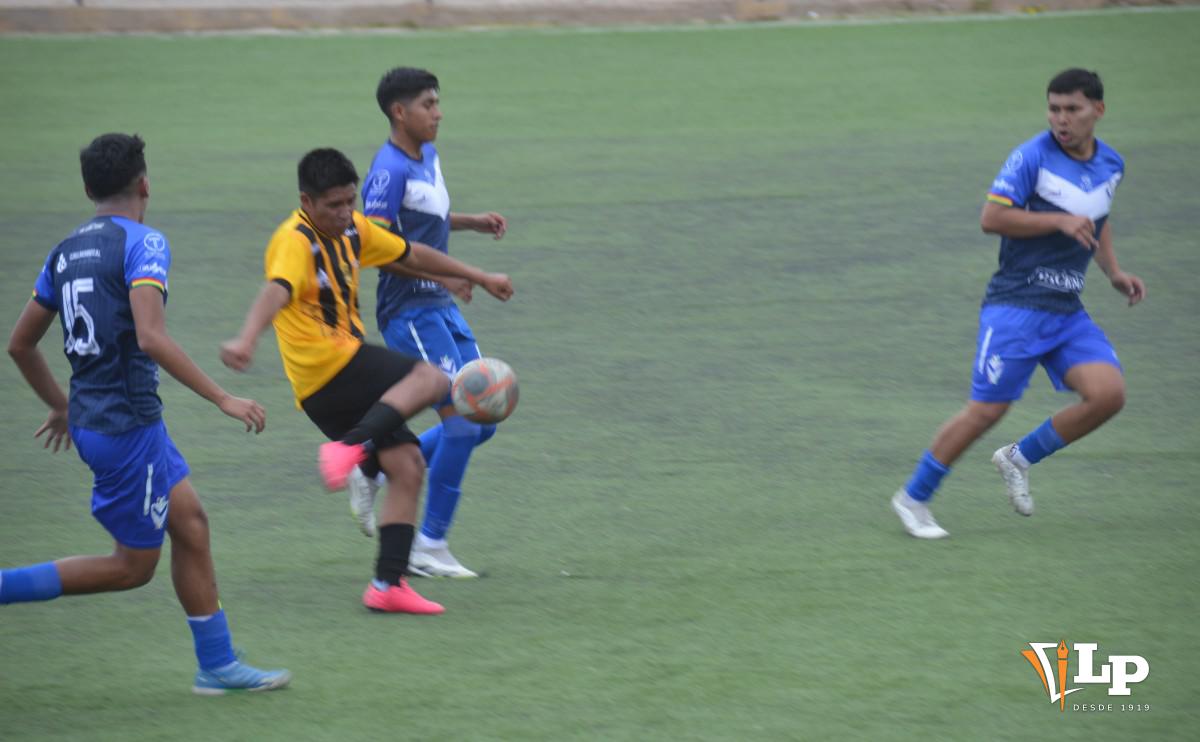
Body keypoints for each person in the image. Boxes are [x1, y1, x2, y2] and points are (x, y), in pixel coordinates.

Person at [2, 133, 291, 695]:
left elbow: (19, 344)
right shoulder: (144, 243)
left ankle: (217, 664)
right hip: (126, 429)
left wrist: (63, 406)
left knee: (191, 524)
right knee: (132, 568)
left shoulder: (64, 251)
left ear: (88, 188)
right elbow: (151, 337)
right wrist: (223, 398)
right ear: (145, 183)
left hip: (110, 423)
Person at [219, 147, 512, 614]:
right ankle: (352, 450)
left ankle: (387, 584)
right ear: (306, 201)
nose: (342, 213)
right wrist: (246, 338)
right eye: (332, 205)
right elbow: (277, 289)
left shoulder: (354, 228)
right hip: (327, 367)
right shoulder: (294, 240)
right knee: (433, 378)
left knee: (409, 465)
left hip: (335, 379)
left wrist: (475, 275)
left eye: (348, 202)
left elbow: (412, 253)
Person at [891, 69, 1146, 539]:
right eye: (1054, 109)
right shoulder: (1032, 156)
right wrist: (1058, 222)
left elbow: (1098, 219)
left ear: (1098, 110)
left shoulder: (1111, 164)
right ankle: (914, 499)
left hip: (1067, 310)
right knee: (987, 410)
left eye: (1072, 109)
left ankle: (1018, 458)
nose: (1061, 119)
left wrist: (1113, 272)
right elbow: (992, 218)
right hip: (1016, 305)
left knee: (1109, 395)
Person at [348, 66, 509, 579]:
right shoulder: (387, 170)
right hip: (409, 311)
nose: (438, 113)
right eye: (429, 105)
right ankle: (427, 545)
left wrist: (469, 222)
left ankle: (371, 461)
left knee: (484, 418)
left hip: (438, 303)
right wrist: (463, 274)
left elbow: (427, 221)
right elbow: (377, 249)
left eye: (438, 103)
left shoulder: (428, 156)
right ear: (400, 112)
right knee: (462, 422)